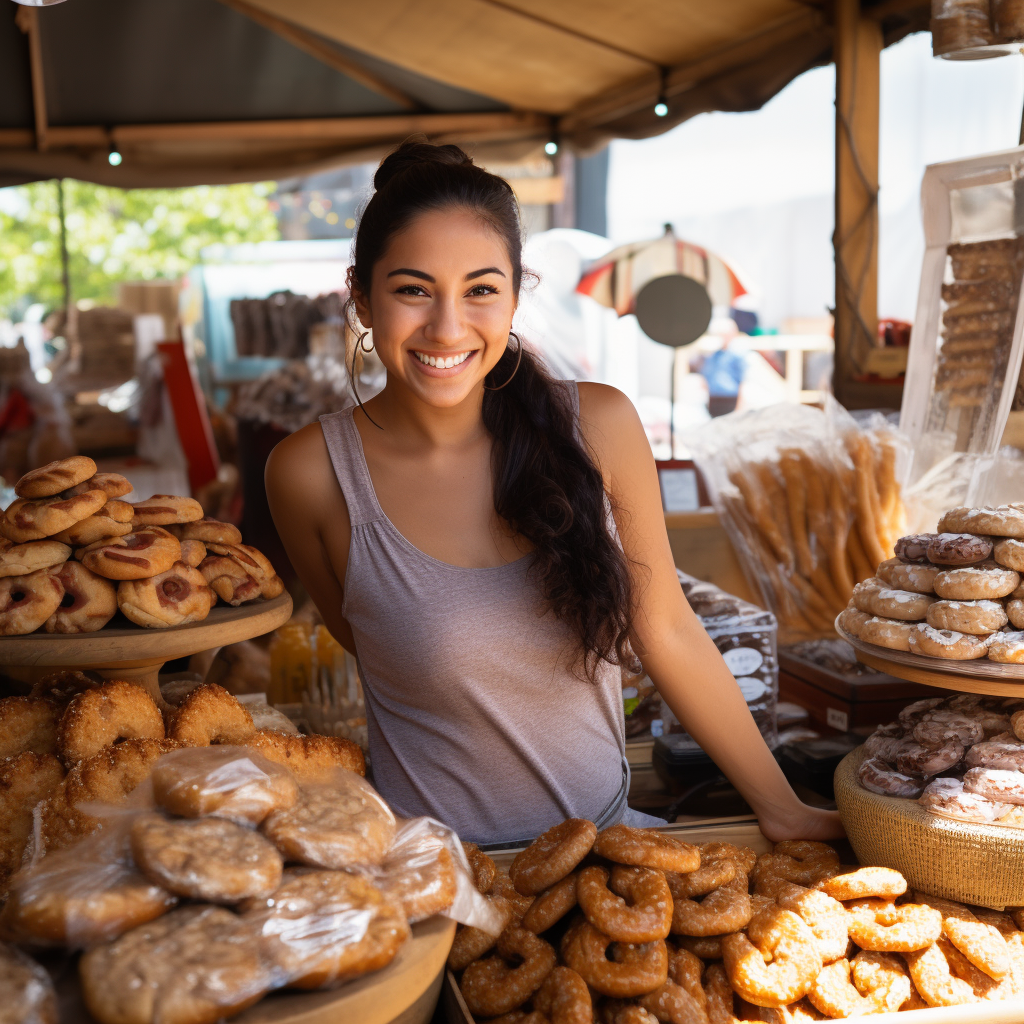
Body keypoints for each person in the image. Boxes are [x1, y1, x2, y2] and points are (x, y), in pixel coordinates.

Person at [265, 141, 841, 846]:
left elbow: (667, 630)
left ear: (515, 292)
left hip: (607, 853)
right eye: (413, 289)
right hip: (432, 883)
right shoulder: (310, 473)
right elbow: (364, 635)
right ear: (360, 293)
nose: (447, 328)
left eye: (480, 290)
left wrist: (781, 809)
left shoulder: (599, 427)